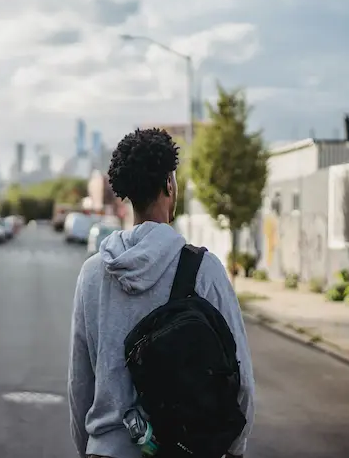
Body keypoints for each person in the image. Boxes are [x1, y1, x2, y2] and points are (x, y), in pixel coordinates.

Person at [68, 128, 255, 458]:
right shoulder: (204, 269)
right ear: (169, 184)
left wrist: (91, 449)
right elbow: (241, 381)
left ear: (126, 193)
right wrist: (234, 450)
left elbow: (79, 385)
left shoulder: (92, 274)